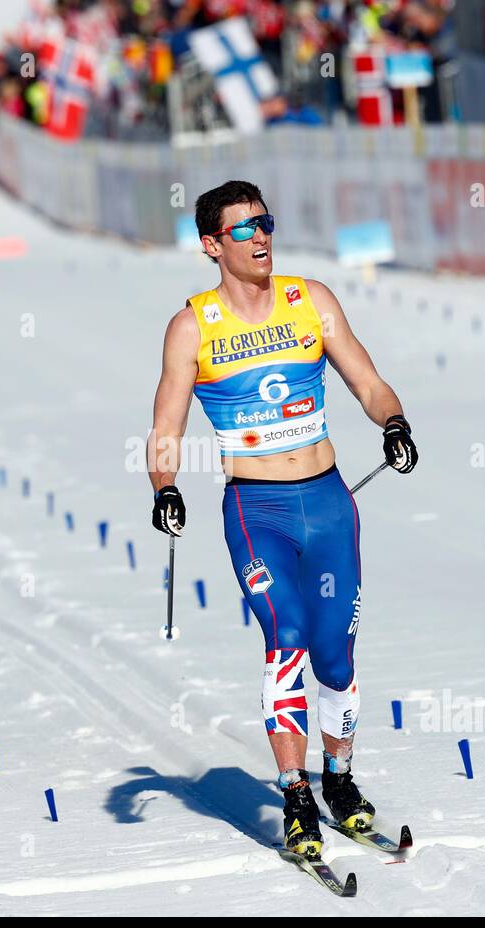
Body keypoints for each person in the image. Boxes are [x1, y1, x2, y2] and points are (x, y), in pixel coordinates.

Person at [146, 179, 418, 859]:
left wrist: (393, 420)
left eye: (265, 222)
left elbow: (367, 378)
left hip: (328, 503)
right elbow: (166, 425)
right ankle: (297, 793)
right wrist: (165, 485)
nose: (261, 237)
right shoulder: (192, 326)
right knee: (287, 636)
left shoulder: (311, 300)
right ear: (212, 245)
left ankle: (341, 781)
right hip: (256, 510)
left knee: (336, 652)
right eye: (243, 229)